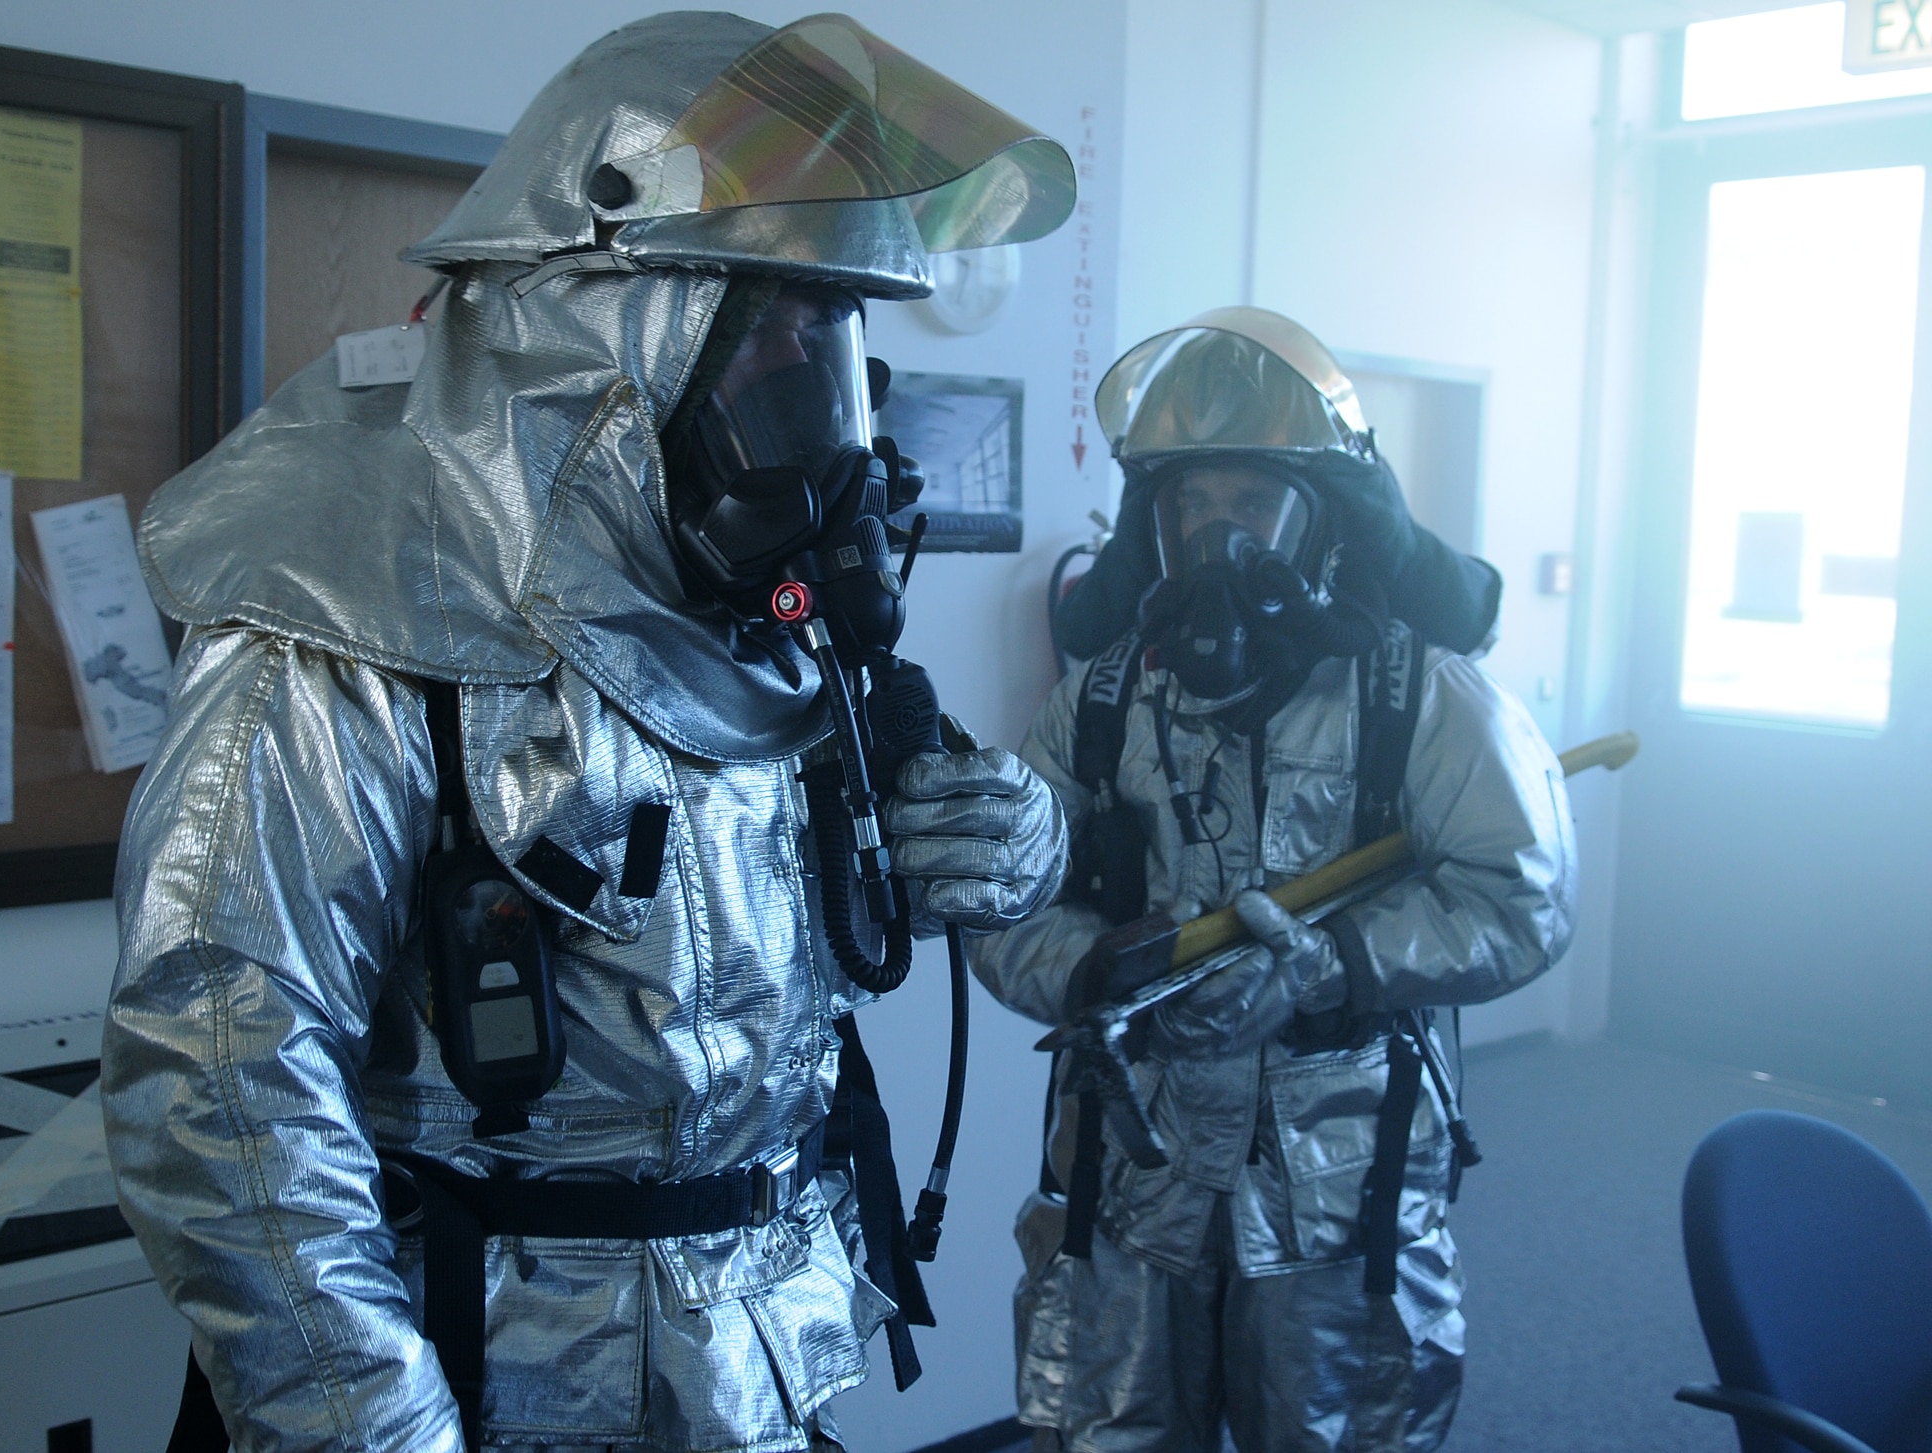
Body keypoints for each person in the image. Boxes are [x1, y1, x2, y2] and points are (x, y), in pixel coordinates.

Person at [101, 15, 1072, 1452]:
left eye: (837, 335)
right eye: (777, 329)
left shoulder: (751, 607)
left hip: (758, 1358)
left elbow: (804, 914)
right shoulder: (336, 602)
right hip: (477, 1373)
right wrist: (366, 1420)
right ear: (611, 326)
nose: (822, 398)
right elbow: (219, 1066)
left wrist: (1014, 842)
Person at [969, 309, 1577, 1453]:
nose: (1215, 537)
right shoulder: (1096, 703)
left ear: (1319, 521)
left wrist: (1326, 967)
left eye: (1248, 505)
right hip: (1127, 1180)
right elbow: (1003, 905)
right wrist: (1091, 964)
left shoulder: (1421, 699)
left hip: (1336, 1191)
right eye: (1189, 507)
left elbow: (1519, 899)